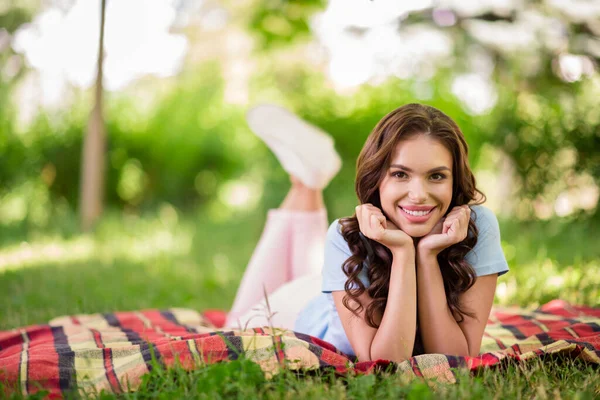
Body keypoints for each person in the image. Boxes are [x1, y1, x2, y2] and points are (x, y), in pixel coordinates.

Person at [225, 103, 509, 363]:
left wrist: (426, 256)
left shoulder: (474, 226)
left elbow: (455, 358)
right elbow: (386, 362)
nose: (419, 195)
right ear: (377, 178)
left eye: (436, 176)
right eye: (400, 174)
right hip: (296, 308)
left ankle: (308, 180)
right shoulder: (347, 237)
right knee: (234, 325)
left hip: (335, 285)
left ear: (455, 180)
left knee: (311, 264)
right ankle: (307, 182)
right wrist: (402, 252)